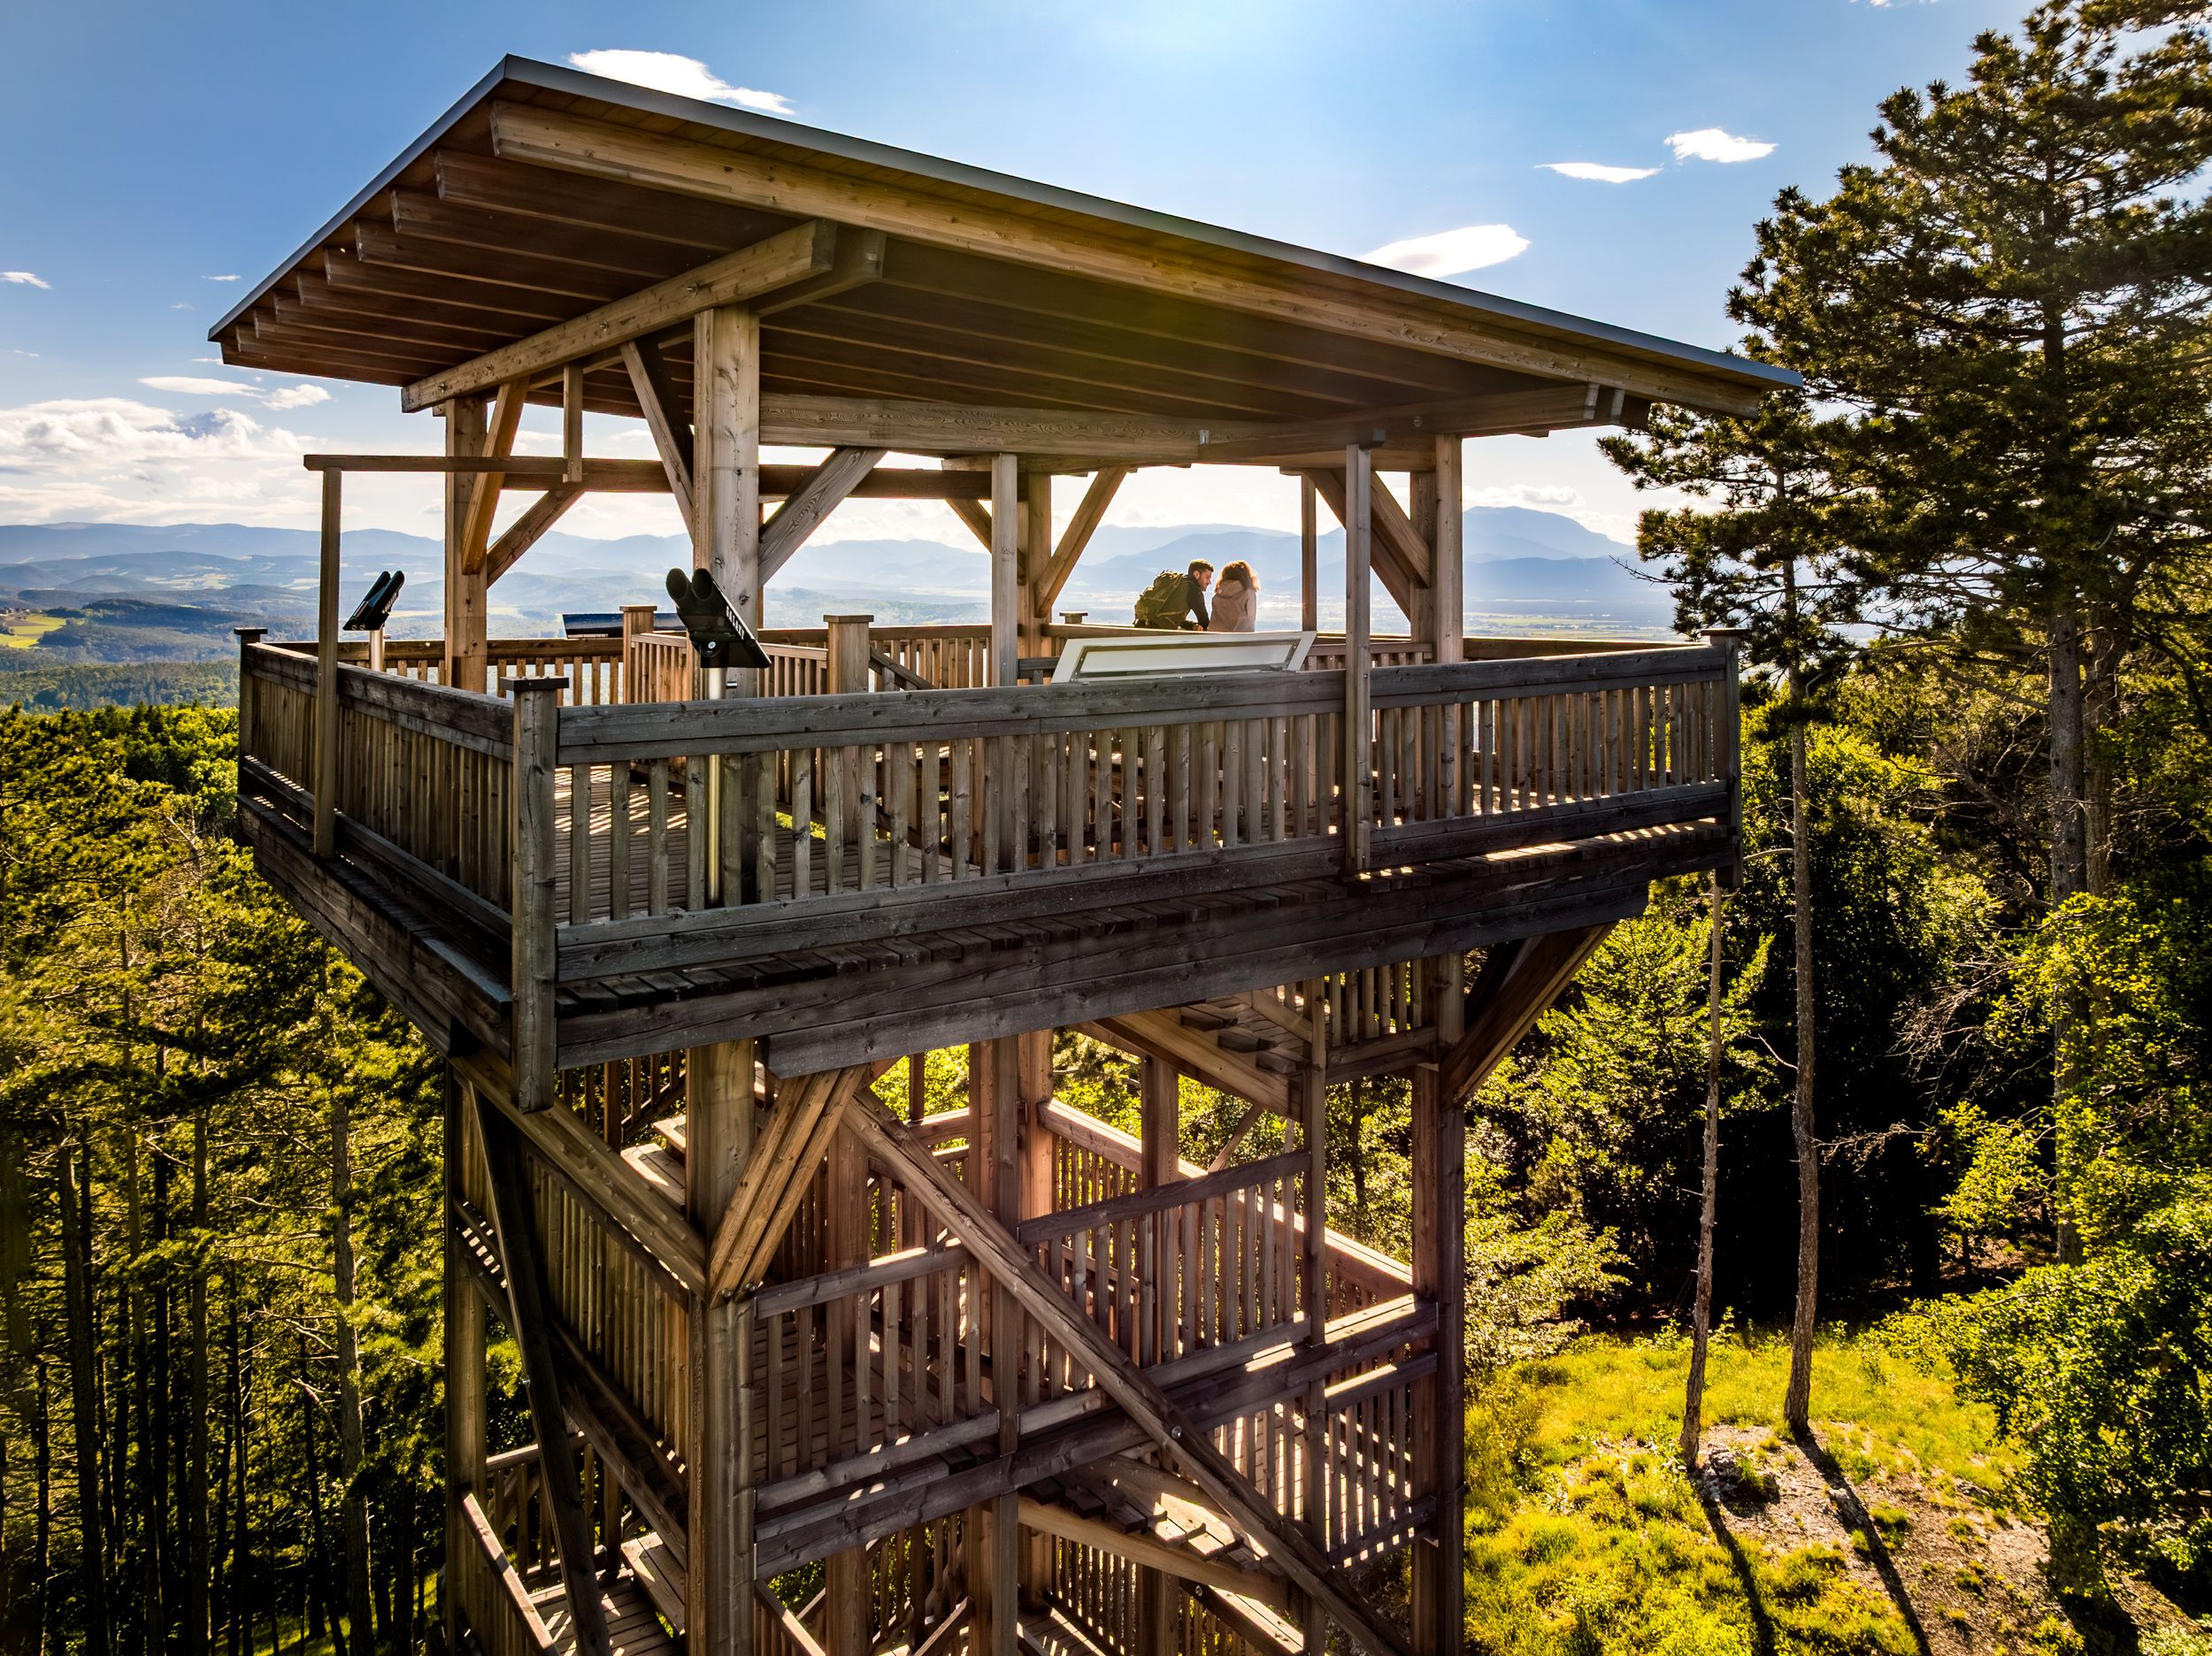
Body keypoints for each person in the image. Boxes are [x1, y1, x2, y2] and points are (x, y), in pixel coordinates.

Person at [1133, 559, 1214, 630]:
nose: (1209, 582)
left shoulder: (1179, 584)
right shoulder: (1193, 590)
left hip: (1143, 627)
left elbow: (1173, 618)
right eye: (1207, 577)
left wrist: (1191, 625)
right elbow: (1204, 622)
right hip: (1158, 632)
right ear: (1196, 574)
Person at [1208, 560, 1257, 632]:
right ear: (1246, 576)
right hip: (1239, 638)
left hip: (1216, 637)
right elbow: (1250, 620)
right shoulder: (1248, 594)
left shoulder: (1217, 596)